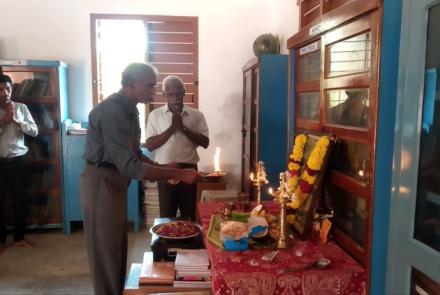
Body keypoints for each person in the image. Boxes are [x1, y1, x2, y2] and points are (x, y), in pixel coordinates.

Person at [80, 63, 202, 295]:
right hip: (101, 182)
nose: (154, 92)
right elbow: (131, 166)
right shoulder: (112, 111)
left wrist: (160, 166)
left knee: (116, 246)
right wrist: (177, 173)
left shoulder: (131, 109)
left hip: (114, 181)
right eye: (150, 86)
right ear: (130, 84)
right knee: (104, 250)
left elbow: (134, 153)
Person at [145, 75, 209, 221]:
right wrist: (172, 128)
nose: (175, 97)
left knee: (189, 214)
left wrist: (183, 128)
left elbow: (205, 143)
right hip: (164, 169)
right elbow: (150, 145)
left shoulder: (196, 115)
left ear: (184, 92)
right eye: (170, 94)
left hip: (189, 169)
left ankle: (190, 243)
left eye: (179, 93)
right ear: (164, 95)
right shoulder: (155, 115)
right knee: (167, 216)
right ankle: (168, 243)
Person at [0, 74, 38, 254]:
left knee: (19, 200)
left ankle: (19, 238)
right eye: (0, 89)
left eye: (8, 89)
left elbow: (35, 131)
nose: (5, 93)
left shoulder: (21, 108)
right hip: (0, 161)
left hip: (19, 160)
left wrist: (18, 122)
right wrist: (3, 122)